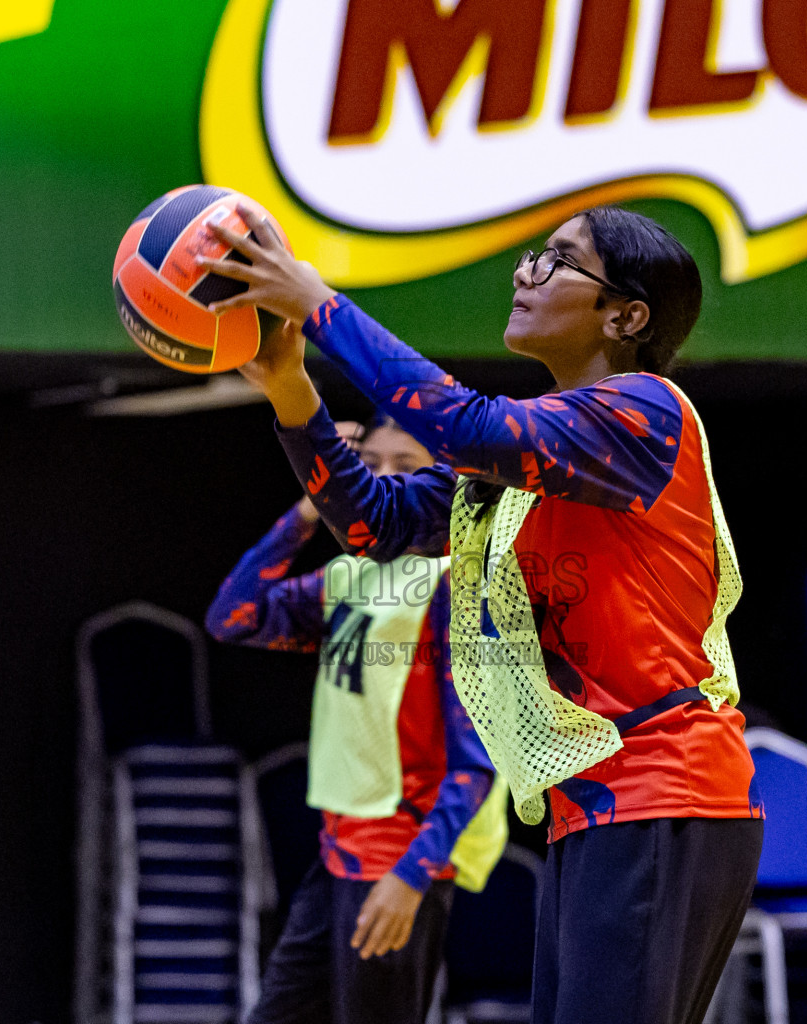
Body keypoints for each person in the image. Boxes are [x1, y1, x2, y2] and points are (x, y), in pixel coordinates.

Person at [198, 205, 764, 1024]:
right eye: (532, 255)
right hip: (594, 797)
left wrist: (319, 301)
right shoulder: (523, 463)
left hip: (668, 785)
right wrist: (291, 387)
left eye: (558, 261)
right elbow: (373, 526)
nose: (524, 271)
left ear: (626, 316)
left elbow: (457, 423)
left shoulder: (647, 411)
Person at [205, 417, 503, 1024]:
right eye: (370, 465)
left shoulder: (463, 590)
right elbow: (231, 616)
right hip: (339, 852)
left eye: (407, 465)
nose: (385, 481)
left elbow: (479, 763)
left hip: (397, 861)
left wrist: (413, 875)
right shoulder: (352, 577)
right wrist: (311, 509)